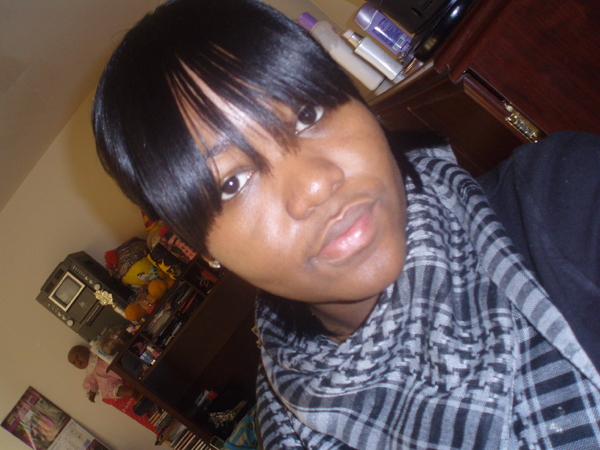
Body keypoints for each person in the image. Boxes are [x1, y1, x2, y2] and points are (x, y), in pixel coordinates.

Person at [91, 0, 600, 448]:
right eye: (232, 182)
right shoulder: (290, 434)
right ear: (203, 249)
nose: (315, 184)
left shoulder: (560, 197)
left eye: (307, 115)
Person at [68, 345, 139, 403]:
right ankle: (131, 392)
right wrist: (92, 393)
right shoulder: (90, 373)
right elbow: (91, 382)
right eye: (74, 362)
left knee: (124, 361)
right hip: (107, 378)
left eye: (77, 356)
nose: (77, 361)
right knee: (107, 389)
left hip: (114, 364)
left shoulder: (95, 352)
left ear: (85, 349)